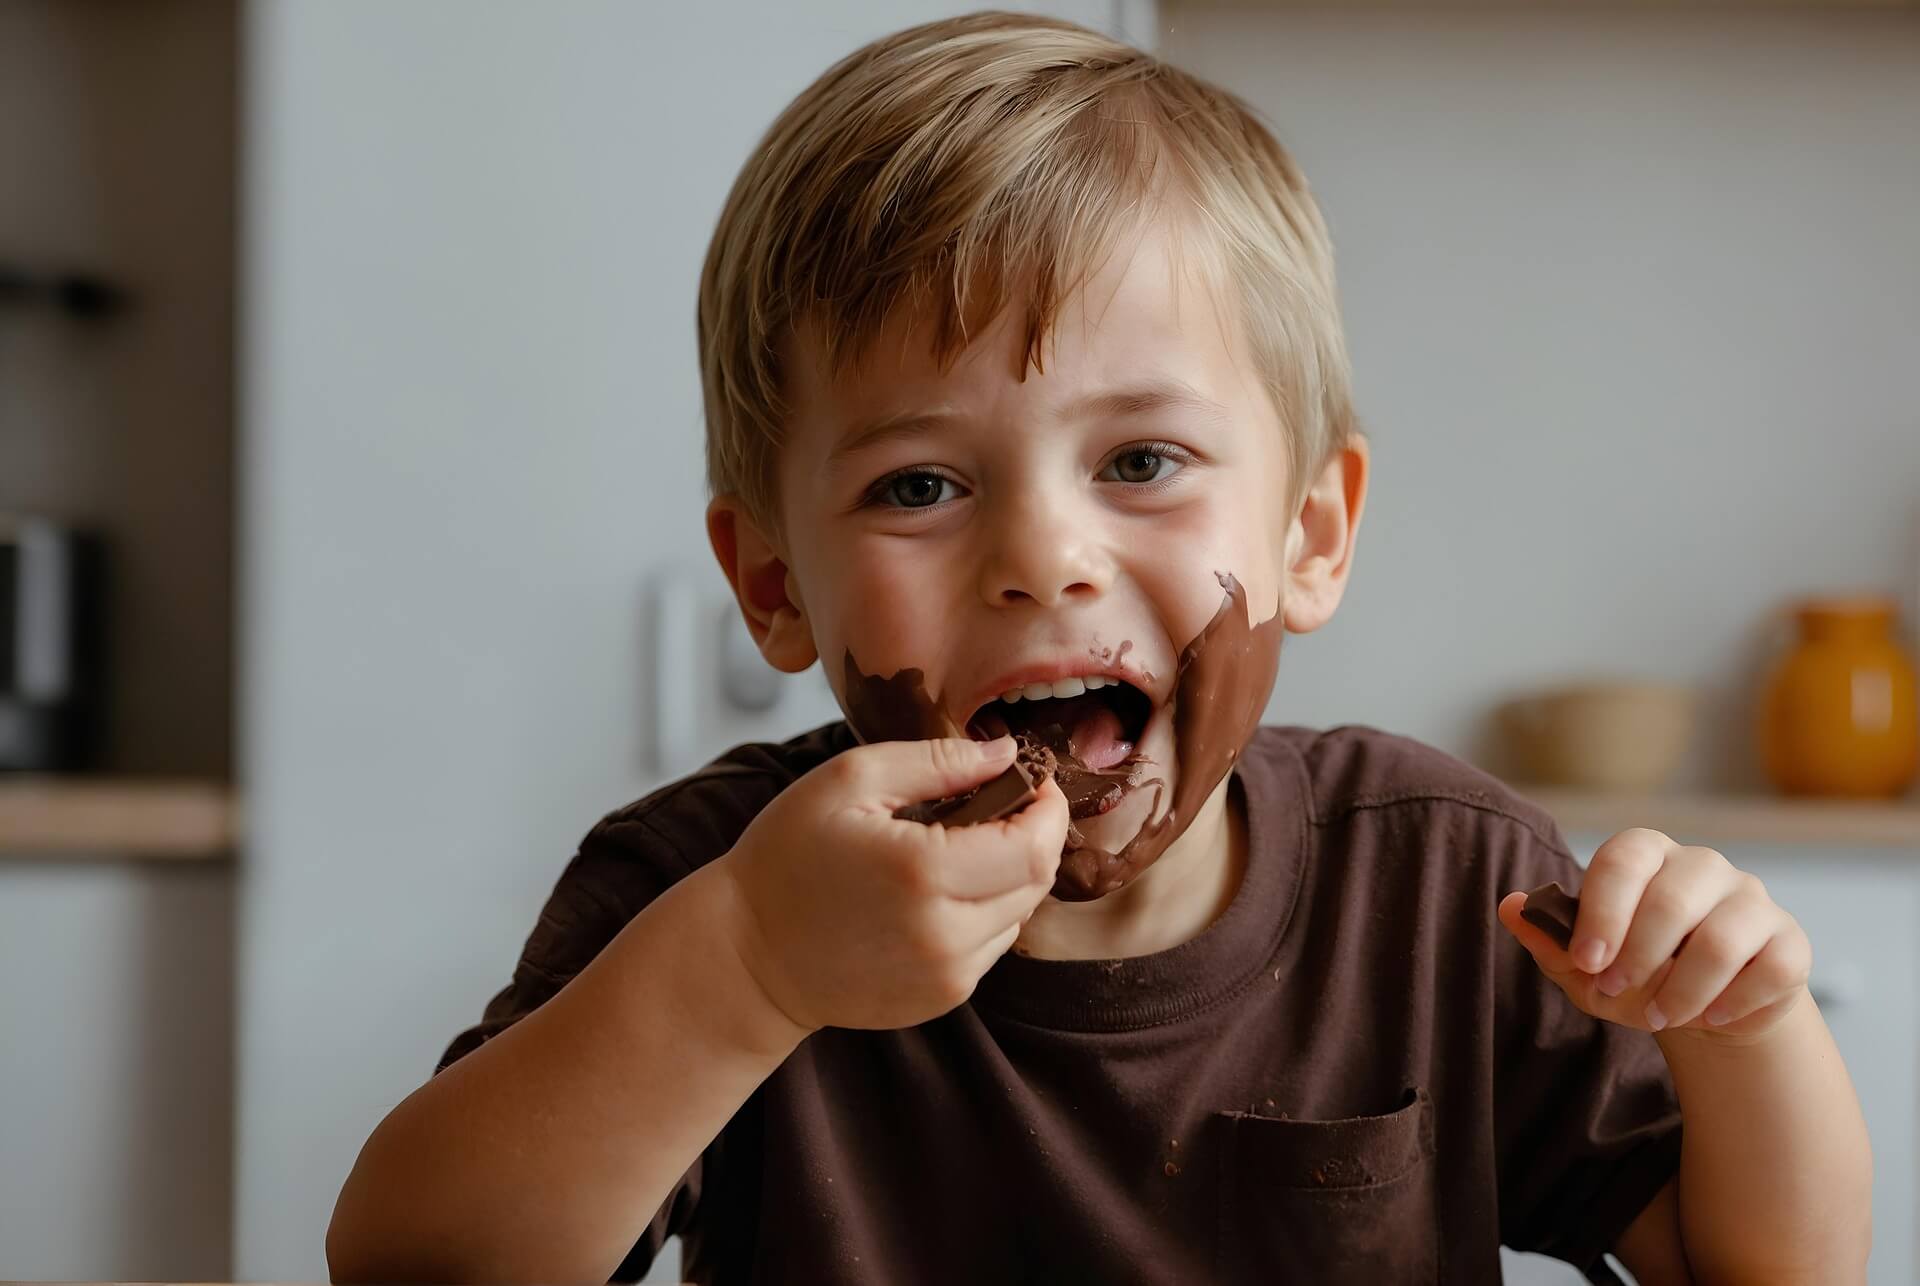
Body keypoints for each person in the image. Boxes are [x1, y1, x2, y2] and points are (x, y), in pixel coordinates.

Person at [327, 12, 1871, 1283]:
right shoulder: (722, 885)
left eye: (1140, 462)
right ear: (775, 581)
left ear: (1311, 534)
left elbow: (1766, 1269)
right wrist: (739, 971)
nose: (1044, 561)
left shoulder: (1440, 888)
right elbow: (411, 1261)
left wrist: (1746, 1027)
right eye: (920, 485)